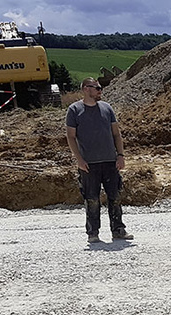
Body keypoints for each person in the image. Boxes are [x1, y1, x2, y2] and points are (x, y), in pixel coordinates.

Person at [66, 77, 133, 244]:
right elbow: (71, 137)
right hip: (89, 164)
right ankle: (93, 232)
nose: (100, 91)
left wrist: (120, 155)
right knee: (92, 199)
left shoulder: (107, 108)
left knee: (115, 196)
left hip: (110, 162)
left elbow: (116, 134)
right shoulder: (74, 110)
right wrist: (79, 160)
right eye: (97, 88)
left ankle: (118, 230)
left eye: (100, 88)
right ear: (86, 89)